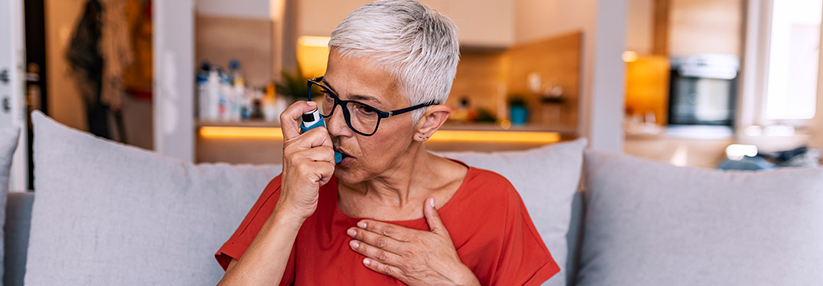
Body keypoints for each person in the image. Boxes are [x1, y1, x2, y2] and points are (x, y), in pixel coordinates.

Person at [215, 0, 560, 285]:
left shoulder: (493, 203)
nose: (334, 125)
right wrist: (289, 210)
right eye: (330, 96)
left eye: (365, 109)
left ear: (427, 122)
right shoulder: (298, 185)